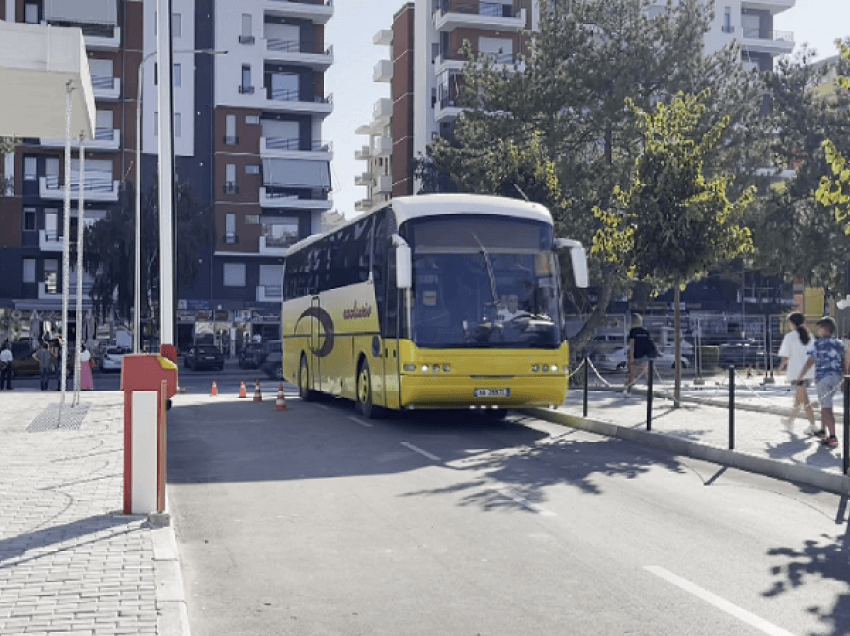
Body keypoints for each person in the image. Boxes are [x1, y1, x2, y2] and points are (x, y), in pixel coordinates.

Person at [796, 316, 845, 449]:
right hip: (836, 378)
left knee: (828, 408)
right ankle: (823, 432)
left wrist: (800, 376)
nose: (817, 330)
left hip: (823, 378)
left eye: (819, 328)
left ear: (825, 329)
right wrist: (845, 379)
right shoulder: (839, 343)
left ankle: (833, 437)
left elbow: (810, 362)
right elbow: (845, 361)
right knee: (825, 404)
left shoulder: (818, 344)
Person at [776, 312, 816, 434]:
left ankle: (813, 426)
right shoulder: (810, 336)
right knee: (799, 400)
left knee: (805, 401)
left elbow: (785, 357)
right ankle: (790, 422)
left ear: (792, 323)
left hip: (797, 374)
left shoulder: (790, 337)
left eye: (789, 322)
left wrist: (780, 368)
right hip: (808, 373)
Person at [625, 313, 657, 393]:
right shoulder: (646, 332)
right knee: (646, 372)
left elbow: (632, 345)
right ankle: (650, 389)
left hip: (636, 355)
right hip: (645, 355)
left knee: (632, 374)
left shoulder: (633, 332)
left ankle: (629, 390)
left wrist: (631, 358)